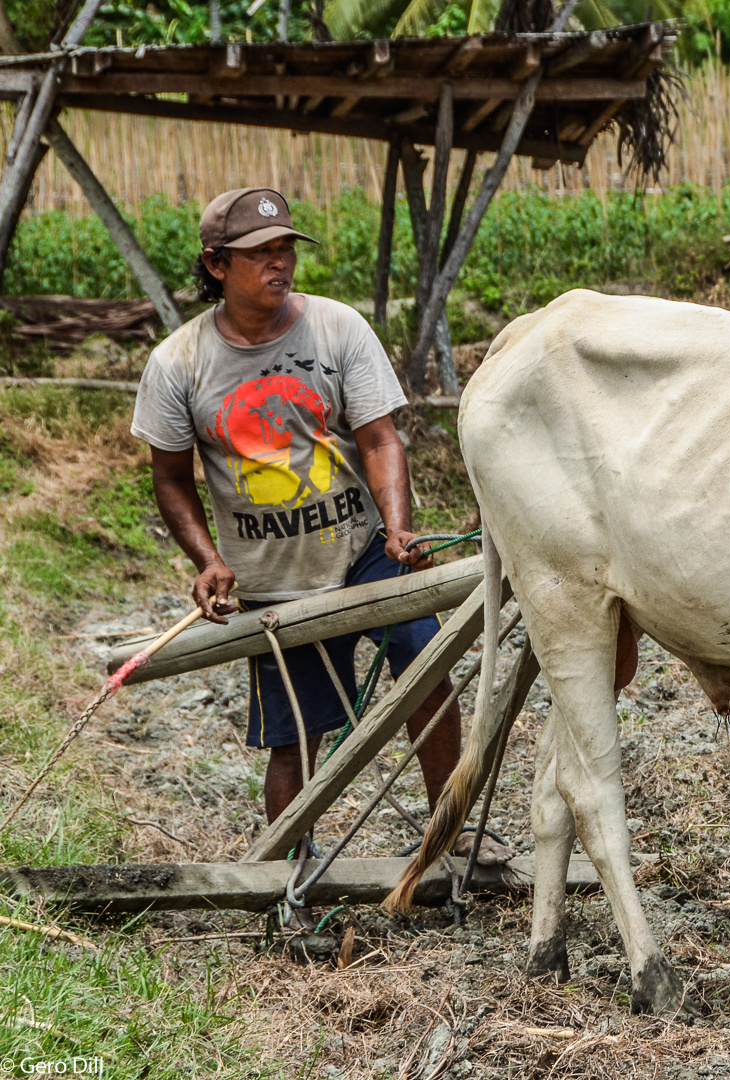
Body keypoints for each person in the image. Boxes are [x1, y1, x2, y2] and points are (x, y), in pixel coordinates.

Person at [130, 188, 496, 926]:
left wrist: (397, 528)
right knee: (297, 734)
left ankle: (452, 839)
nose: (280, 261)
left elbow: (380, 437)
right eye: (260, 252)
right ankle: (288, 875)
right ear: (215, 264)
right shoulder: (180, 364)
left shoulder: (336, 328)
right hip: (272, 585)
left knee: (430, 684)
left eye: (285, 247)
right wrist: (207, 561)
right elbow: (171, 480)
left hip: (366, 555)